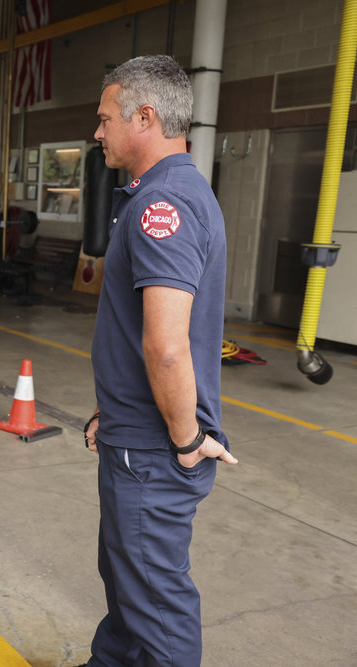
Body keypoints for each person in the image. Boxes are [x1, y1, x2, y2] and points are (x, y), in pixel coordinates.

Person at [81, 55, 239, 667]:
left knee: (155, 607)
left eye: (105, 119)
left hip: (152, 452)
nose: (98, 132)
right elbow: (131, 335)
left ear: (144, 117)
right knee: (128, 588)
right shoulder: (157, 194)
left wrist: (185, 438)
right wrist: (112, 412)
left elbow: (167, 345)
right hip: (134, 436)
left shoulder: (162, 206)